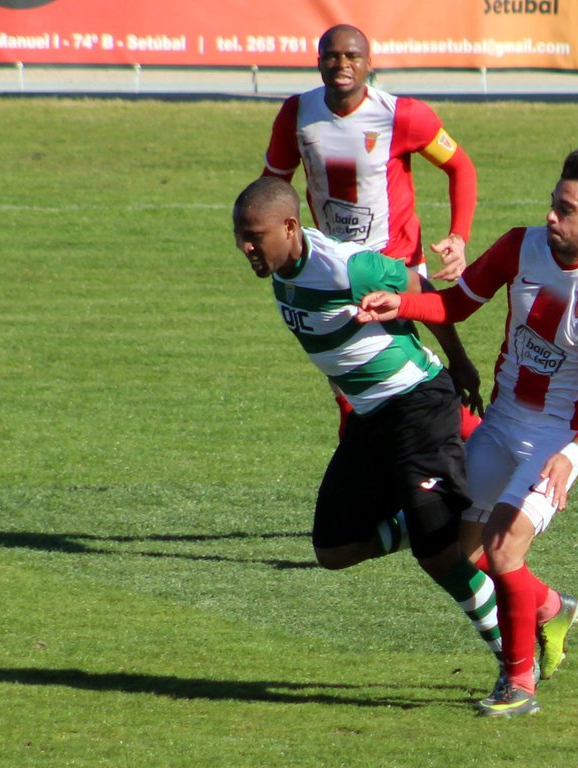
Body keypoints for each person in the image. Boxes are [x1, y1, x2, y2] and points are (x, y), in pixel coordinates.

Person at [356, 149, 578, 716]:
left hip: (557, 439)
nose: (551, 216)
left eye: (566, 209)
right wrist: (404, 304)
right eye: (552, 202)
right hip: (503, 420)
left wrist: (573, 453)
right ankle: (551, 609)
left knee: (504, 547)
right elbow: (460, 303)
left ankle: (519, 685)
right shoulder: (520, 246)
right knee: (462, 548)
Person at [232, 175, 502, 673]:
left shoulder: (348, 266)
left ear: (289, 227)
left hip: (419, 403)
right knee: (333, 549)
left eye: (254, 236)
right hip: (371, 417)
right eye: (240, 237)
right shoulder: (281, 268)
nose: (246, 247)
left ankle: (515, 658)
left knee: (439, 556)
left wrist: (461, 363)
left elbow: (423, 291)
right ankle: (423, 521)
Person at [262, 24, 482, 438]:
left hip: (392, 260)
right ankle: (463, 440)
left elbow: (461, 167)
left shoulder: (403, 115)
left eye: (352, 56)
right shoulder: (297, 114)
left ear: (369, 64)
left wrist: (459, 236)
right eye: (333, 56)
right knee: (358, 382)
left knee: (388, 379)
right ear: (319, 62)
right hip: (334, 267)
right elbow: (272, 187)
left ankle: (477, 440)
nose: (342, 64)